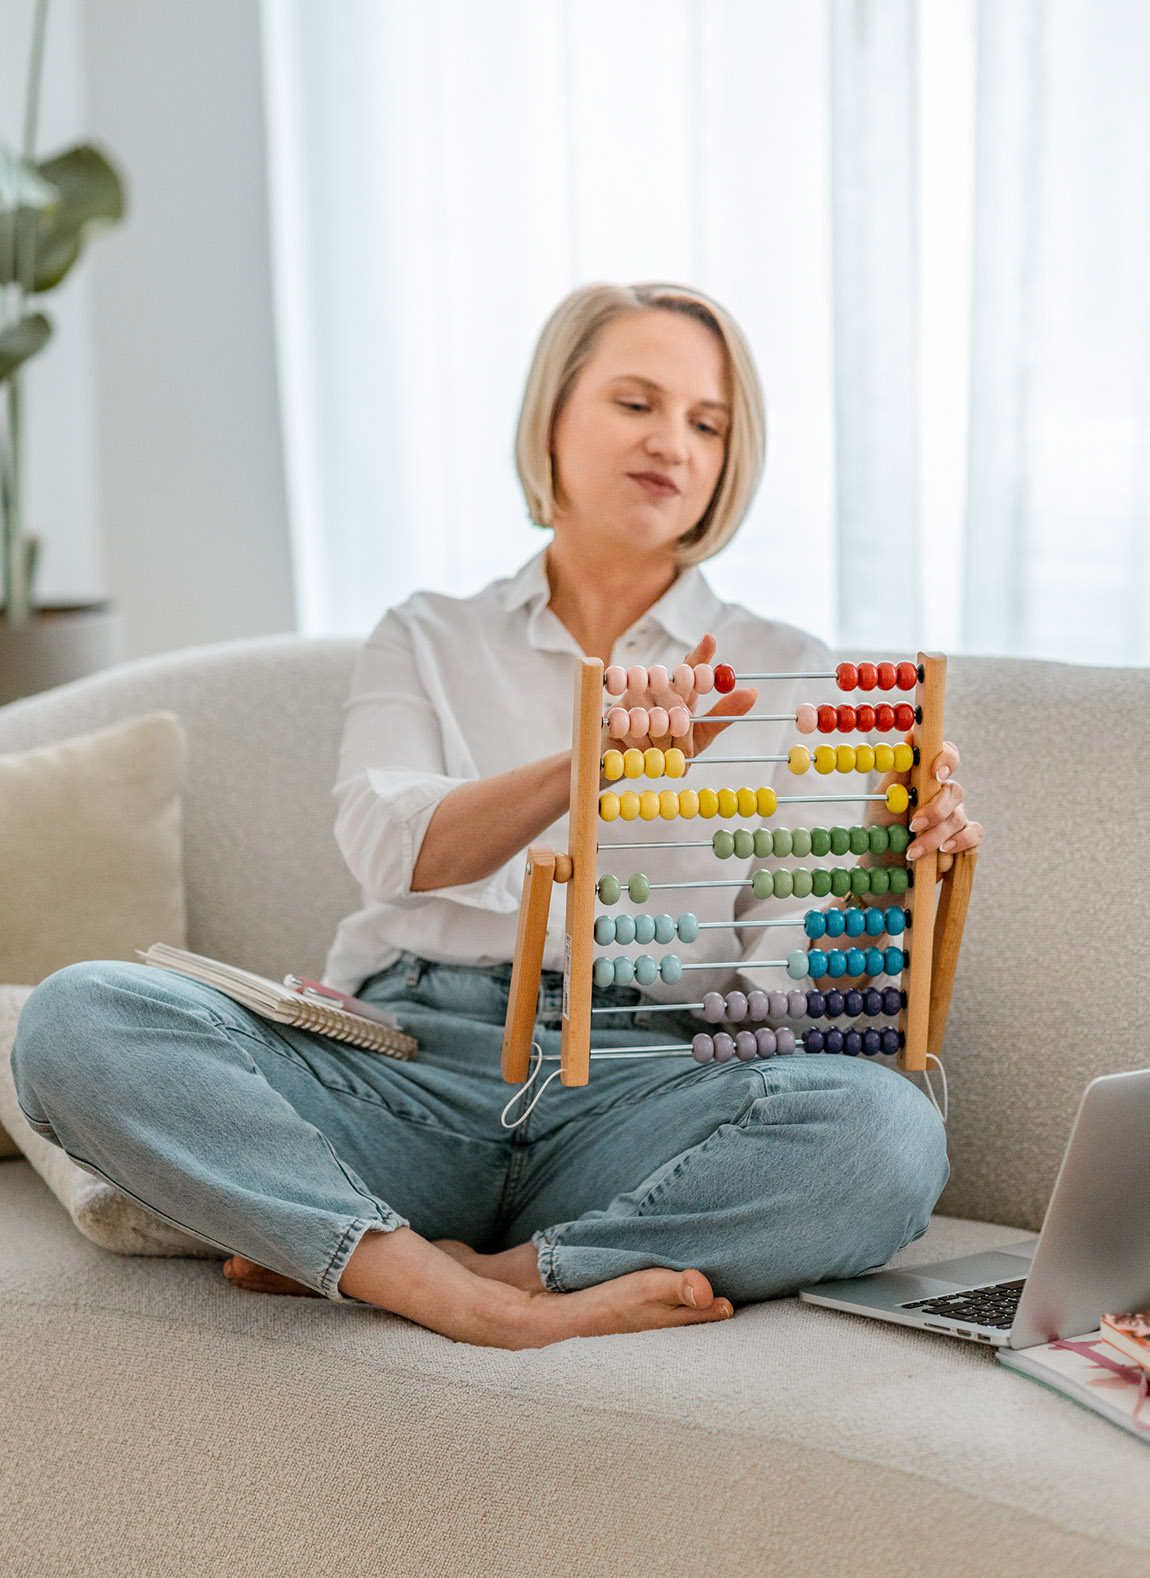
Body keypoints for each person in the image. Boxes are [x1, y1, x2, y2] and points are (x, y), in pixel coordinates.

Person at [11, 282, 982, 1350]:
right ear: (551, 417)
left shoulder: (791, 676)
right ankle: (436, 1291)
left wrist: (884, 879)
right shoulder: (427, 637)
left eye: (709, 424)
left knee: (885, 1131)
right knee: (75, 1017)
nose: (674, 443)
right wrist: (588, 764)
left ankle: (500, 1273)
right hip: (409, 1065)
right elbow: (393, 852)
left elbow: (773, 998)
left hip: (640, 1085)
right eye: (635, 402)